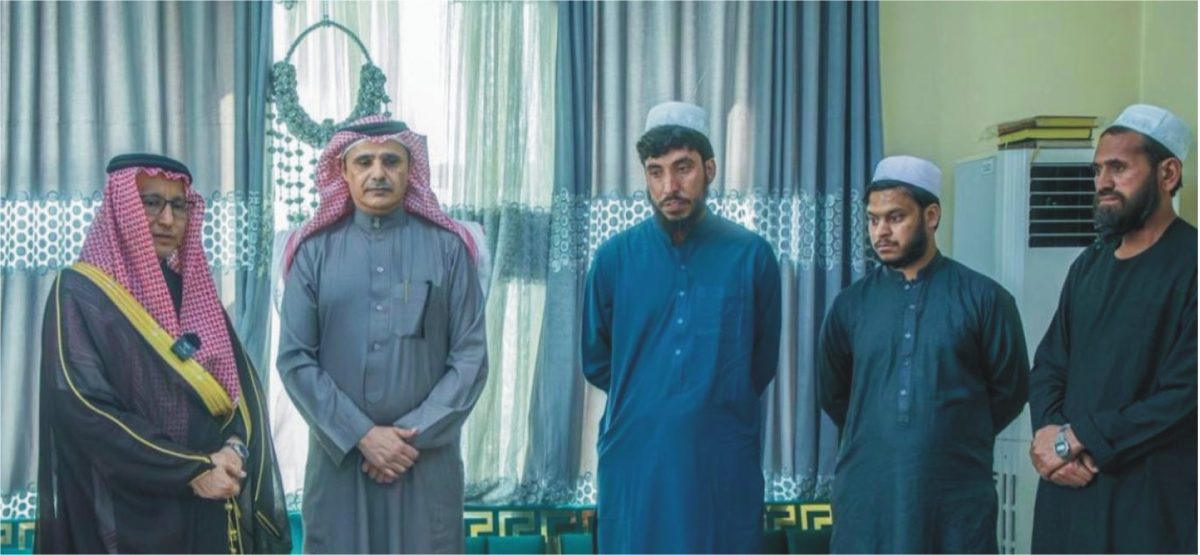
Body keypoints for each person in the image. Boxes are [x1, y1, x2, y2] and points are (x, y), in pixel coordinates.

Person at [36, 153, 291, 553]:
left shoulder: (193, 290)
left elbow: (238, 393)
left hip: (209, 494)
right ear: (121, 208)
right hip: (125, 508)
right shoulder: (81, 292)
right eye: (151, 203)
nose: (168, 219)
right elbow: (83, 406)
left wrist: (233, 450)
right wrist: (188, 469)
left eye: (179, 206)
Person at [277, 115, 488, 553]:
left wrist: (409, 435)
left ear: (410, 170)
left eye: (391, 161)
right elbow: (295, 359)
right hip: (340, 465)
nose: (378, 173)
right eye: (364, 162)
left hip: (424, 465)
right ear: (343, 171)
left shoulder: (450, 249)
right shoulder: (312, 253)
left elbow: (470, 359)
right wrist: (362, 435)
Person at [581, 101, 782, 553]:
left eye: (683, 168)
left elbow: (761, 362)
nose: (669, 186)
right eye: (656, 172)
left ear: (710, 169)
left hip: (721, 461)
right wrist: (651, 398)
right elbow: (596, 359)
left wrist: (707, 402)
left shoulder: (751, 256)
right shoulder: (613, 259)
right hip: (637, 462)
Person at [818, 155, 1029, 553]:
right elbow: (834, 395)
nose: (881, 231)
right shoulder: (850, 305)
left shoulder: (985, 299)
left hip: (955, 498)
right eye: (873, 219)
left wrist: (948, 433)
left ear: (931, 216)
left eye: (895, 217)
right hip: (868, 496)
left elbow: (1010, 391)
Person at [1028, 103, 1197, 553]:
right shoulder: (1089, 265)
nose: (1103, 181)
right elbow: (1049, 366)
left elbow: (1185, 397)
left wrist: (1077, 438)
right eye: (1098, 169)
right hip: (1068, 494)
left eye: (1119, 168)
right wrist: (1049, 437)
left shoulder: (1192, 265)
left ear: (1168, 173)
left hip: (1148, 506)